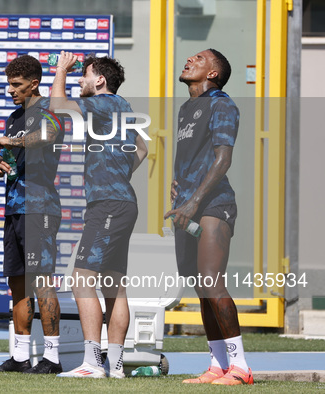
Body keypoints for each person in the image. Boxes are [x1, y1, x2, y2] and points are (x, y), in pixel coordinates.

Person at [50, 52, 148, 378]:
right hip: (122, 203)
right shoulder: (125, 107)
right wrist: (119, 174)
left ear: (100, 81)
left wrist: (61, 70)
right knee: (114, 286)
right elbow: (143, 150)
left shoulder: (104, 104)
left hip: (107, 205)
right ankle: (115, 366)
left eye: (85, 75)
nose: (81, 81)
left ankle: (92, 364)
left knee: (81, 280)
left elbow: (58, 107)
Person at [164, 49, 253, 385]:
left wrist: (194, 201)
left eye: (199, 59)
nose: (190, 59)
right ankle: (218, 366)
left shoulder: (222, 104)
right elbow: (191, 158)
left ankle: (241, 367)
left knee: (211, 280)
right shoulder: (188, 108)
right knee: (201, 288)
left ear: (213, 73)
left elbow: (222, 159)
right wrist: (179, 187)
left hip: (214, 204)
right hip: (187, 206)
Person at [0, 55, 64, 374]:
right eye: (8, 83)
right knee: (16, 283)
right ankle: (20, 358)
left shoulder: (50, 110)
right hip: (14, 206)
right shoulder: (13, 116)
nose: (10, 90)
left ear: (34, 84)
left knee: (42, 282)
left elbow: (47, 137)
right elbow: (9, 152)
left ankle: (52, 358)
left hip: (40, 207)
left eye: (16, 84)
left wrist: (12, 140)